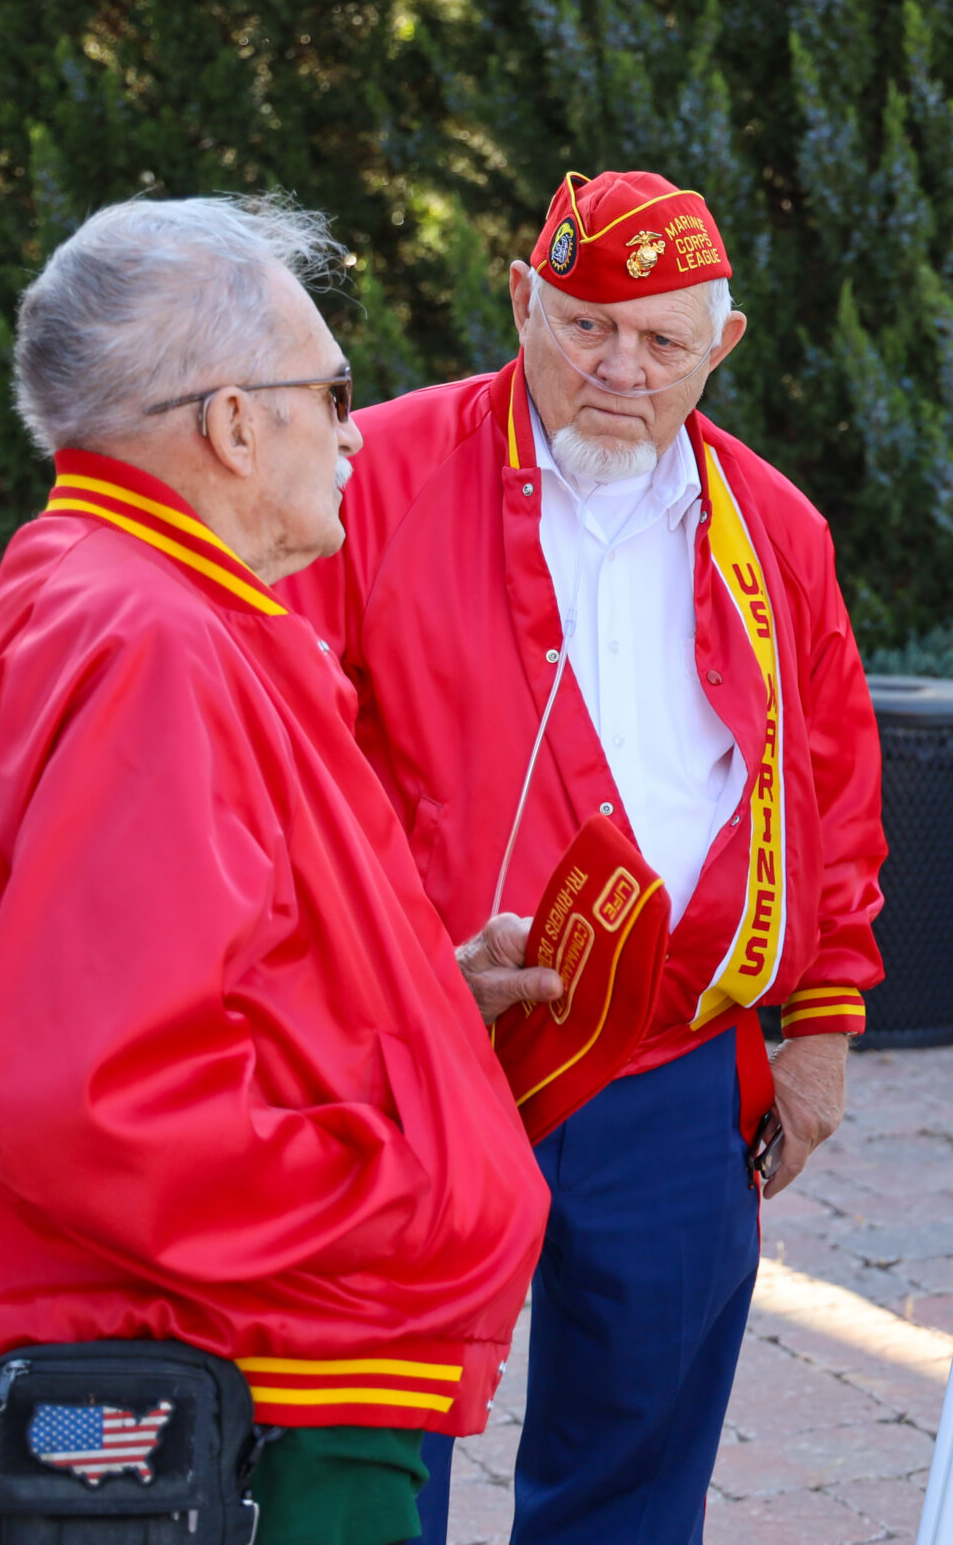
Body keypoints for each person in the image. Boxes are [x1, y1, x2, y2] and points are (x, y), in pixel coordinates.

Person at [0, 196, 552, 1544]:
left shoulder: (120, 595)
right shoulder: (148, 640)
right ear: (235, 424)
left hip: (244, 1348)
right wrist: (411, 1180)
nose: (356, 431)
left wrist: (415, 1011)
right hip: (253, 1379)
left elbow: (200, 969)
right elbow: (114, 1091)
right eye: (332, 389)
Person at [276, 169, 887, 1543]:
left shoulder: (776, 527)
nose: (621, 367)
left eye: (664, 340)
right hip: (415, 1041)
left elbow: (833, 780)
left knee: (638, 1451)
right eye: (584, 324)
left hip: (673, 1053)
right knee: (369, 1434)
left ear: (721, 346)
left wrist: (826, 1022)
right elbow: (279, 751)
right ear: (520, 299)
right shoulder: (367, 475)